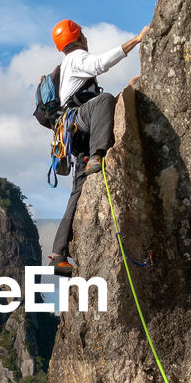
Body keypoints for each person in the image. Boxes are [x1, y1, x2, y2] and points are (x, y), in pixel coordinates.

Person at [49, 18, 149, 275]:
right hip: (78, 125)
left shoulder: (68, 63)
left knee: (78, 191)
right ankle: (97, 156)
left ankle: (58, 254)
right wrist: (136, 41)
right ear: (79, 37)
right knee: (104, 99)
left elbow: (97, 109)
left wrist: (127, 89)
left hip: (76, 132)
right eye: (83, 33)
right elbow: (101, 65)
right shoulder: (77, 58)